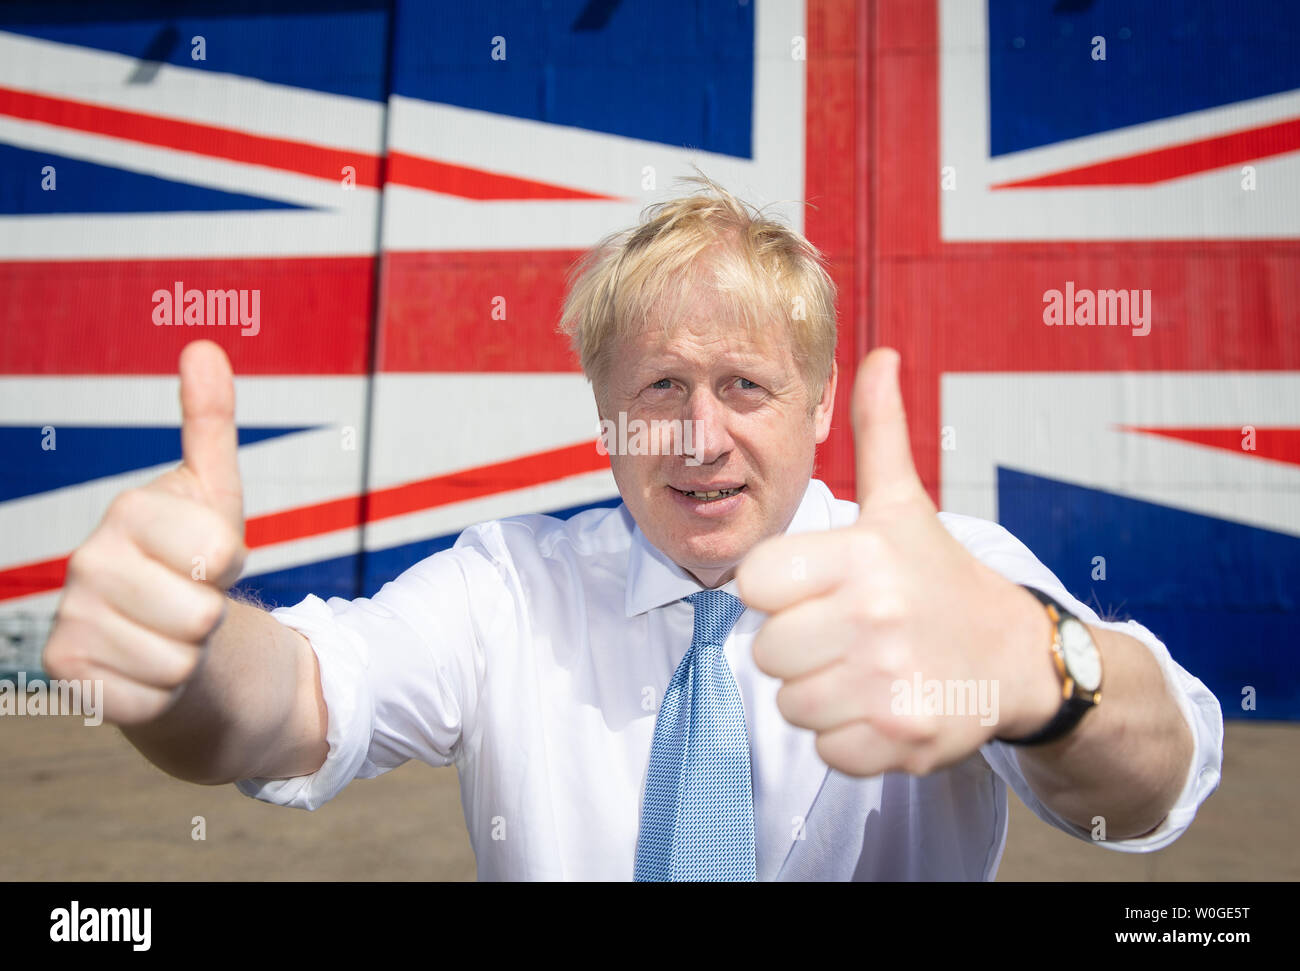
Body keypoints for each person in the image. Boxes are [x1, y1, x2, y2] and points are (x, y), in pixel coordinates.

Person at [43, 177, 1223, 881]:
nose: (698, 438)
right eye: (659, 388)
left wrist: (1045, 670)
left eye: (746, 387)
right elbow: (294, 701)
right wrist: (188, 653)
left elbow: (1152, 792)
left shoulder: (948, 579)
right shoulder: (508, 585)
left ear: (818, 402)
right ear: (603, 412)